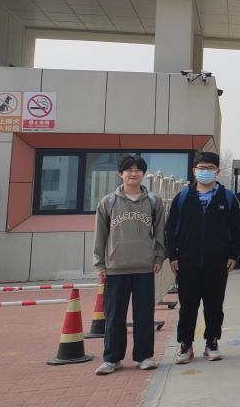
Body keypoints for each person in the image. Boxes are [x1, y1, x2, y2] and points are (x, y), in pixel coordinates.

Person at [165, 151, 240, 364]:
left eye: (210, 168)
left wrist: (233, 255)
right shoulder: (183, 198)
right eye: (201, 168)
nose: (205, 172)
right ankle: (185, 344)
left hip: (217, 262)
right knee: (187, 305)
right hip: (187, 261)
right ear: (194, 171)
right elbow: (170, 229)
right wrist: (173, 255)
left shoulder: (227, 198)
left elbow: (236, 229)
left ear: (217, 171)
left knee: (214, 305)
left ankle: (212, 342)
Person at [93, 154, 166, 375]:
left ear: (143, 174)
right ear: (120, 174)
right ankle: (112, 359)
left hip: (144, 267)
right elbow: (100, 234)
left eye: (137, 170)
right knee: (114, 316)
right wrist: (100, 263)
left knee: (144, 315)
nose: (133, 174)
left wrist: (159, 257)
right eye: (128, 170)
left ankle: (144, 356)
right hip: (115, 267)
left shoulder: (154, 201)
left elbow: (160, 232)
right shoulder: (108, 202)